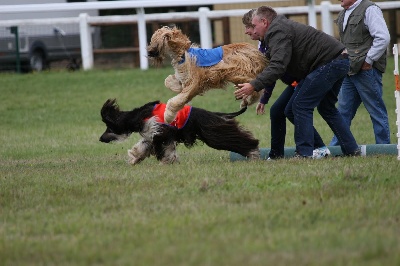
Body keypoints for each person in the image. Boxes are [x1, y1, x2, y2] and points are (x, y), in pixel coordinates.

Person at [235, 6, 360, 158]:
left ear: (264, 22)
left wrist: (254, 85)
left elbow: (278, 66)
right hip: (339, 60)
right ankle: (352, 149)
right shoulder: (277, 30)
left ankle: (304, 153)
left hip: (330, 63)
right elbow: (272, 64)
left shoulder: (277, 31)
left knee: (300, 105)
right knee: (326, 108)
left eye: (253, 26)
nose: (251, 30)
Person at [330, 0, 391, 146]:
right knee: (343, 112)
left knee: (376, 111)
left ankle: (383, 148)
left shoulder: (370, 9)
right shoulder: (344, 12)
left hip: (366, 70)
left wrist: (369, 60)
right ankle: (337, 148)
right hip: (349, 69)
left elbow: (383, 37)